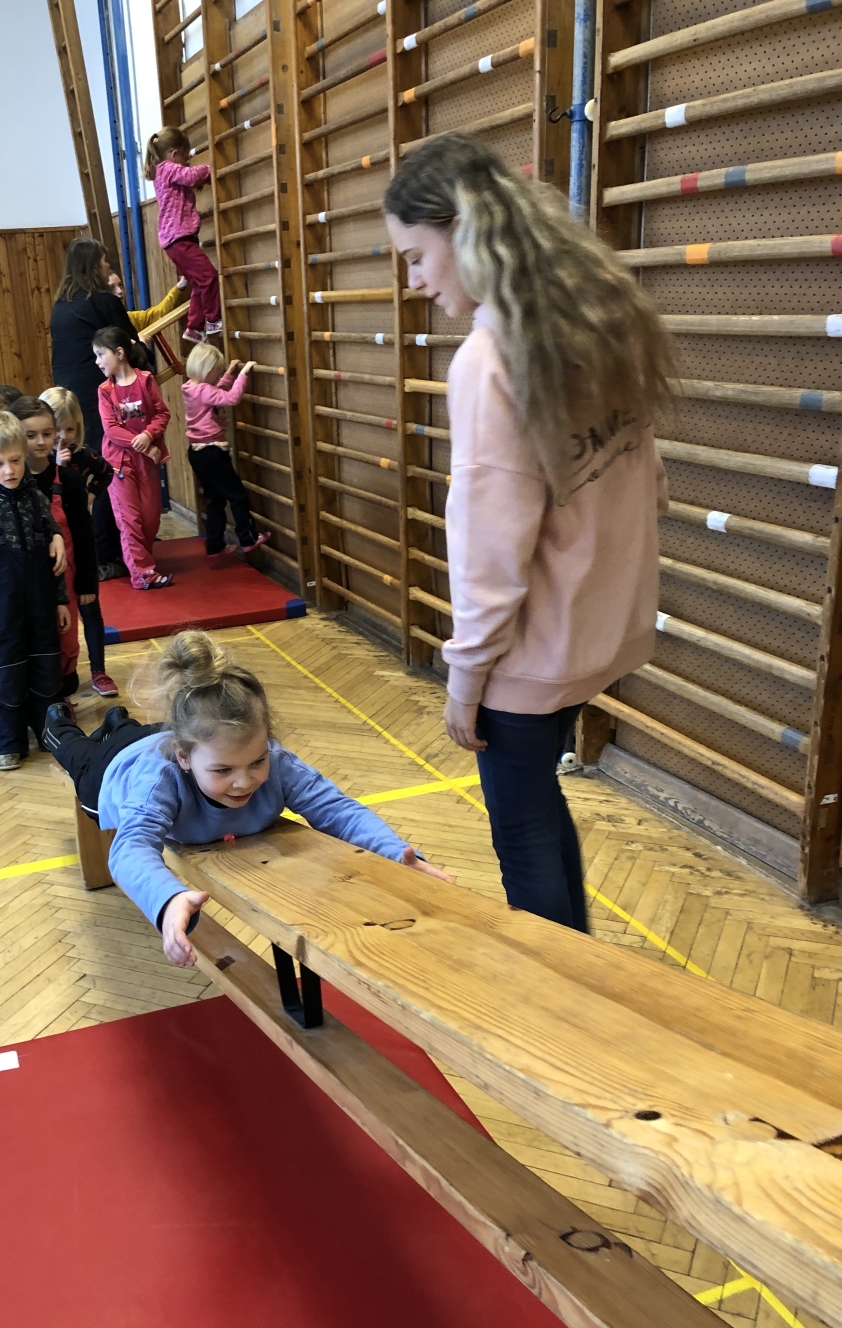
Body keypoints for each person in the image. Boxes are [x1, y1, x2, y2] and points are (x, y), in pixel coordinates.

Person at [383, 134, 672, 933]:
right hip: (596, 634)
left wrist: (464, 678)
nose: (413, 281)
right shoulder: (594, 310)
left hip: (529, 656)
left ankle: (559, 995)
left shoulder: (489, 359)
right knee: (540, 808)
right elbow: (646, 469)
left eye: (417, 256)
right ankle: (581, 969)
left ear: (463, 232)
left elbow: (489, 551)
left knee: (523, 832)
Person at [42, 631, 449, 966]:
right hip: (115, 766)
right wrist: (168, 900)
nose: (244, 782)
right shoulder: (158, 782)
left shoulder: (270, 760)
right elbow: (130, 848)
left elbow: (337, 810)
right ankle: (59, 726)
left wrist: (394, 853)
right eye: (224, 771)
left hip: (171, 738)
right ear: (183, 757)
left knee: (137, 731)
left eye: (256, 762)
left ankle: (119, 721)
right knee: (80, 758)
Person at [0, 412, 70, 770]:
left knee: (47, 671)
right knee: (6, 675)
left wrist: (60, 601)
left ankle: (50, 735)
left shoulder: (37, 499)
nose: (9, 470)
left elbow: (54, 557)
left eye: (16, 461)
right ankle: (8, 742)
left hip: (40, 601)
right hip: (0, 608)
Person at [11, 395, 118, 700]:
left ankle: (68, 689)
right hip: (26, 578)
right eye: (31, 435)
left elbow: (84, 537)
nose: (41, 442)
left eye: (48, 433)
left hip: (67, 575)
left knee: (66, 636)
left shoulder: (69, 480)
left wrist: (87, 583)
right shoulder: (9, 480)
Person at [94, 326, 173, 590]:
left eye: (100, 354)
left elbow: (162, 414)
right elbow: (111, 429)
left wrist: (150, 435)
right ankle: (143, 574)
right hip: (120, 463)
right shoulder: (105, 390)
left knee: (150, 518)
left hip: (147, 462)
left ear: (119, 353)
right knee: (130, 520)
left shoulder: (146, 381)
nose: (97, 362)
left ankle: (143, 563)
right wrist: (142, 445)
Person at [50, 238, 140, 452]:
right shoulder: (105, 302)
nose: (107, 265)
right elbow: (131, 350)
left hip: (67, 394)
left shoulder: (59, 307)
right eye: (103, 260)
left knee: (83, 452)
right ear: (94, 267)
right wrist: (143, 346)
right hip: (100, 393)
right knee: (109, 453)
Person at [181, 344, 270, 558]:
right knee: (238, 496)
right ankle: (248, 538)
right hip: (212, 453)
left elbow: (216, 393)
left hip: (197, 453)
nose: (218, 376)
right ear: (209, 370)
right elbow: (230, 398)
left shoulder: (190, 387)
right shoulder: (204, 390)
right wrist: (243, 373)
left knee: (216, 500)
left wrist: (229, 373)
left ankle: (215, 545)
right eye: (218, 372)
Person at [38, 385, 124, 582]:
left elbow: (106, 471)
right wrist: (58, 466)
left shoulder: (83, 455)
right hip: (50, 525)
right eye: (56, 429)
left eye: (69, 429)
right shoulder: (39, 459)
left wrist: (91, 495)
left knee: (82, 565)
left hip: (78, 523)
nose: (63, 436)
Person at [144, 127, 220, 343]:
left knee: (198, 282)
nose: (187, 162)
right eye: (185, 157)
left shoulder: (163, 173)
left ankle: (194, 327)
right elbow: (190, 175)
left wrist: (198, 182)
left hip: (175, 240)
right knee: (209, 276)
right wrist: (209, 170)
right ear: (174, 154)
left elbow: (184, 184)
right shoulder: (167, 168)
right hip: (179, 238)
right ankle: (213, 320)